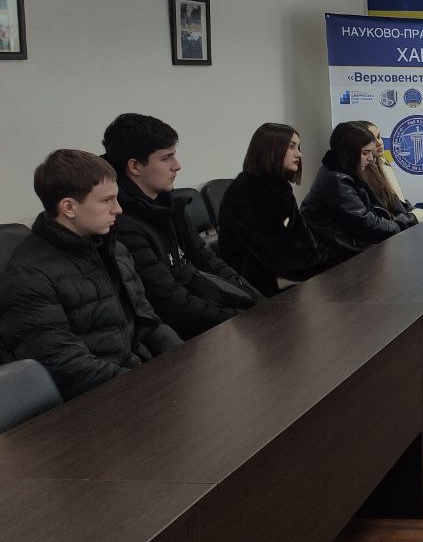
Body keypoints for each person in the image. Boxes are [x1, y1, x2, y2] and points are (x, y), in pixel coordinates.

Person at [0, 150, 182, 399]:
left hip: (134, 380)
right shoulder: (29, 277)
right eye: (106, 200)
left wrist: (180, 359)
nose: (118, 209)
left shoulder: (114, 250)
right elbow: (64, 366)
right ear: (68, 207)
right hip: (92, 402)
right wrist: (143, 387)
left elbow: (147, 322)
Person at [103, 113, 258, 340]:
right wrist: (237, 318)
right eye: (166, 158)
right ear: (135, 166)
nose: (177, 166)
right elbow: (169, 302)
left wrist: (253, 297)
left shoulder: (170, 205)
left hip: (207, 318)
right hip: (181, 337)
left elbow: (208, 260)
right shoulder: (122, 225)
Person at [217, 123, 333, 296]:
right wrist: (323, 262)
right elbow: (274, 253)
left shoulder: (278, 185)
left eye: (298, 147)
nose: (299, 154)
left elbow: (302, 235)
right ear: (270, 150)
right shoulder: (248, 191)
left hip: (278, 276)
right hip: (254, 287)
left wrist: (321, 259)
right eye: (291, 146)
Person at [302, 121, 418, 258]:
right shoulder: (336, 179)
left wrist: (407, 219)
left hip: (351, 249)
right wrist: (407, 222)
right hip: (336, 257)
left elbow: (377, 211)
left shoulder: (350, 171)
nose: (370, 158)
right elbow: (365, 225)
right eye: (365, 153)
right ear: (349, 152)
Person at [358, 121, 423, 224]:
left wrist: (413, 211)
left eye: (379, 137)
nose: (379, 143)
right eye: (372, 140)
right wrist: (413, 218)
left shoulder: (382, 162)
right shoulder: (363, 173)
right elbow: (382, 214)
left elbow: (396, 199)